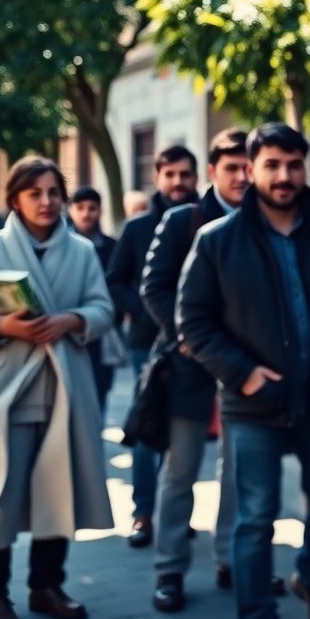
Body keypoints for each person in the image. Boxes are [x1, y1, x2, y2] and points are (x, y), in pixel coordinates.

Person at [178, 123, 310, 619]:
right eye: (272, 165)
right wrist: (243, 373)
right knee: (255, 519)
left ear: (305, 168)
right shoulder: (217, 241)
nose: (284, 176)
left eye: (294, 165)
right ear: (251, 169)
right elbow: (193, 321)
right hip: (252, 404)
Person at [143, 128, 286, 612]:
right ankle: (169, 570)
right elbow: (154, 287)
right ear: (212, 172)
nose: (243, 177)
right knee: (180, 471)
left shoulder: (271, 221)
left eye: (249, 167)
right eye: (232, 168)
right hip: (190, 368)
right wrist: (185, 337)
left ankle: (232, 561)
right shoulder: (183, 220)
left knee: (239, 473)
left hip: (247, 371)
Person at [0, 158, 114, 619]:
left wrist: (72, 320)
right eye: (35, 193)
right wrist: (3, 327)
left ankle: (47, 586)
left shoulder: (82, 250)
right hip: (7, 390)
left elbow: (103, 307)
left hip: (66, 388)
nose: (46, 202)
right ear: (15, 199)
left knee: (57, 493)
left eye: (53, 192)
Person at [107, 145, 199, 549]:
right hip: (149, 344)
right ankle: (143, 512)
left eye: (185, 174)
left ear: (197, 176)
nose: (178, 182)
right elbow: (116, 280)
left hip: (201, 346)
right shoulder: (138, 227)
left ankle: (174, 512)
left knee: (187, 436)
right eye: (170, 174)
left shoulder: (206, 220)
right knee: (149, 426)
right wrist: (143, 314)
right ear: (158, 177)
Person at [68, 186, 120, 412]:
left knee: (99, 394)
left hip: (102, 331)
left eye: (92, 208)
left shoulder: (112, 247)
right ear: (70, 210)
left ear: (100, 210)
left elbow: (119, 284)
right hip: (66, 330)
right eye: (80, 208)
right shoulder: (61, 247)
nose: (86, 213)